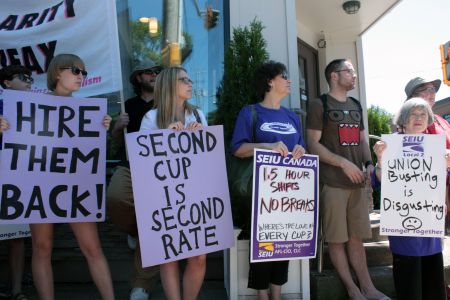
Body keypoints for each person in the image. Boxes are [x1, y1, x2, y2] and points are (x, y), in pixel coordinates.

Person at [26, 54, 114, 300]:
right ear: (56, 73)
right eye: (76, 70)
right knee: (42, 248)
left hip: (76, 185)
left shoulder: (87, 111)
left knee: (93, 247)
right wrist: (6, 125)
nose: (81, 77)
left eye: (84, 73)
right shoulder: (31, 106)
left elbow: (88, 155)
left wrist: (101, 129)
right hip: (40, 183)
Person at [306, 58, 389, 300]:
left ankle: (368, 288)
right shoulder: (318, 104)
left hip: (358, 184)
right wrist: (342, 163)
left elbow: (363, 141)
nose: (354, 75)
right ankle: (353, 290)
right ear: (334, 75)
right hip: (332, 182)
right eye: (349, 71)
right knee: (336, 239)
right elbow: (313, 144)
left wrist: (370, 165)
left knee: (356, 238)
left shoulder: (356, 104)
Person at [231, 61, 306, 300]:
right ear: (270, 82)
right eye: (284, 76)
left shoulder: (293, 117)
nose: (289, 80)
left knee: (284, 240)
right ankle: (262, 296)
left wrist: (300, 151)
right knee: (263, 243)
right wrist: (267, 146)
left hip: (290, 193)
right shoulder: (250, 112)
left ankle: (277, 293)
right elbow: (237, 149)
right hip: (260, 192)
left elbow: (301, 147)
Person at [140, 66, 207, 300]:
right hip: (163, 196)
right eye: (183, 80)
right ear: (169, 85)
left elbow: (208, 158)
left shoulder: (198, 115)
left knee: (198, 257)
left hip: (194, 193)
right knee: (168, 256)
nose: (189, 83)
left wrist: (201, 137)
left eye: (189, 79)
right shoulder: (151, 118)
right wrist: (164, 137)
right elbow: (143, 160)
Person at [372, 97, 447, 300]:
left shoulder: (435, 148)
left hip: (430, 231)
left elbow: (440, 182)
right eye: (413, 114)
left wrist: (446, 166)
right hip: (404, 231)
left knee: (434, 290)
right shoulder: (391, 145)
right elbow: (380, 180)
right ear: (403, 119)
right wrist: (380, 160)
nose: (419, 118)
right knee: (410, 290)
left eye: (423, 115)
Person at [107, 60, 163, 300]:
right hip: (129, 164)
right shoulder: (127, 105)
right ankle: (133, 228)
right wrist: (118, 128)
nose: (153, 76)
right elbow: (117, 143)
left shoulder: (168, 103)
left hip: (160, 169)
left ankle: (142, 284)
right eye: (148, 73)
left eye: (157, 72)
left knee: (153, 221)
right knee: (115, 197)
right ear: (138, 79)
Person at [0, 65, 33, 300]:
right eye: (22, 77)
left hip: (19, 178)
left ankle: (17, 290)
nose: (28, 81)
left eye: (30, 77)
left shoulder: (37, 107)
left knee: (16, 235)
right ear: (7, 83)